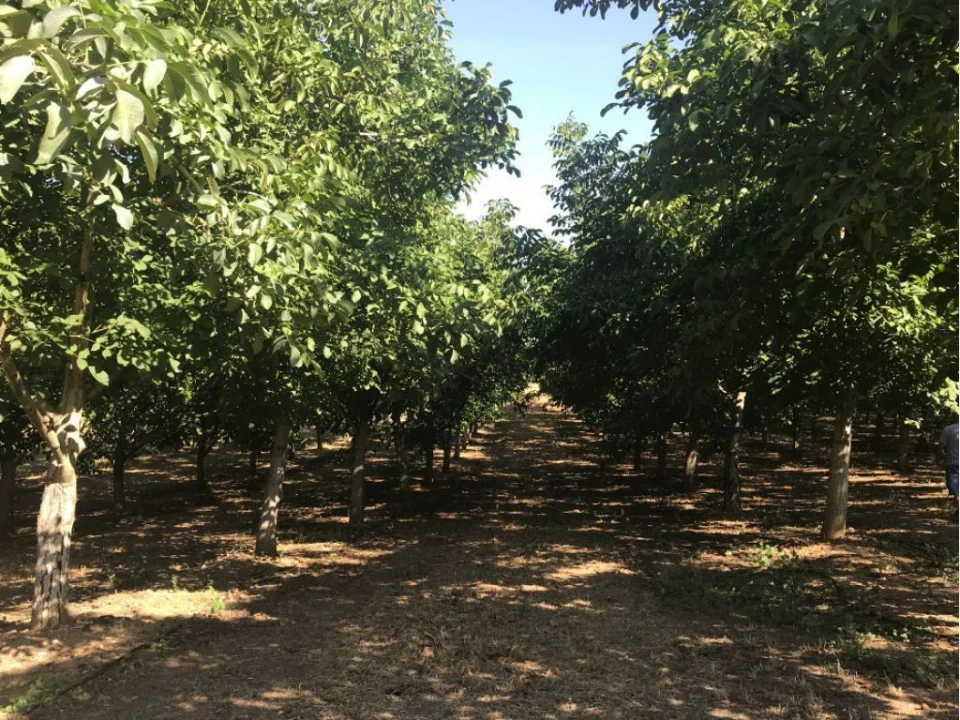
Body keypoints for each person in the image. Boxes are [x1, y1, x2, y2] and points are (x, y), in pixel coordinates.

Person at [938, 413, 959, 522]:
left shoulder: (948, 429)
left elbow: (940, 446)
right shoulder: (949, 429)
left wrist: (941, 457)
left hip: (952, 463)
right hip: (953, 463)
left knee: (955, 489)